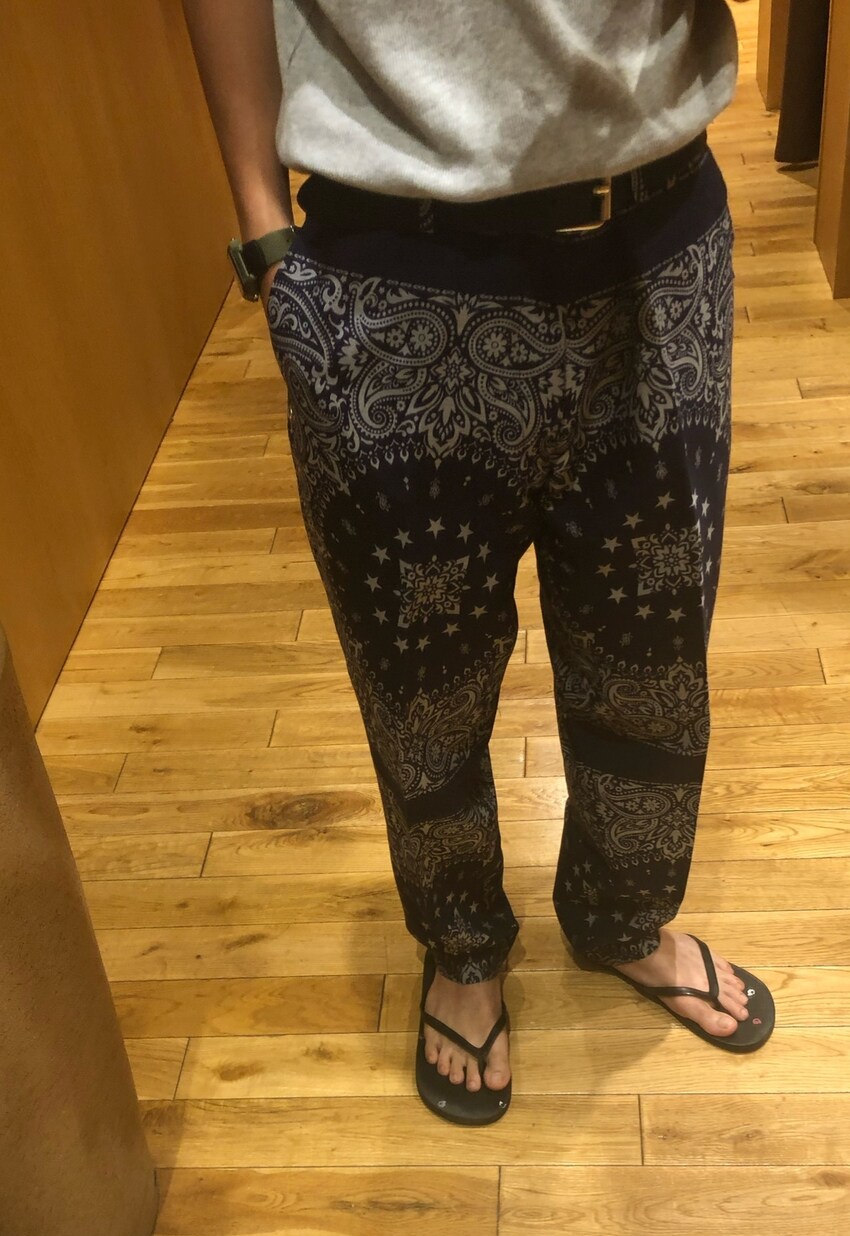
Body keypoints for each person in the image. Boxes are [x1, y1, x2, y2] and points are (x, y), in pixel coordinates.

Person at [183, 0, 775, 1128]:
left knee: (650, 649)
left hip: (658, 236)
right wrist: (263, 229)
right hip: (387, 265)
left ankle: (620, 915)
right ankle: (460, 943)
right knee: (420, 682)